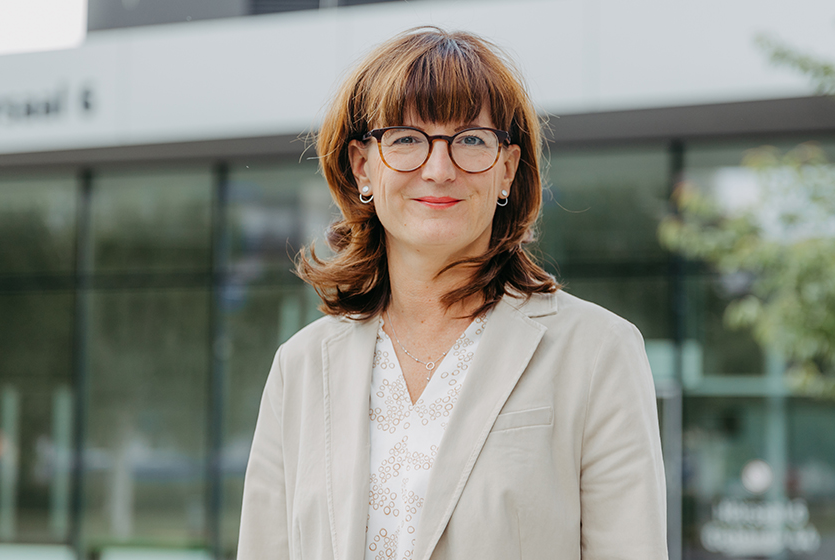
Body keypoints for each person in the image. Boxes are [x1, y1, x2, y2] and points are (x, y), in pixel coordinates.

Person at [238, 27, 668, 560]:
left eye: (470, 140)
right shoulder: (300, 367)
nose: (439, 170)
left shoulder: (599, 351)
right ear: (362, 166)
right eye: (405, 139)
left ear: (506, 169)